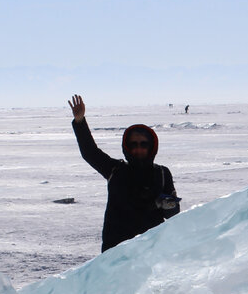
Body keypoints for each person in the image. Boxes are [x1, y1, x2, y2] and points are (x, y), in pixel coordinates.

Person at [69, 94, 180, 252]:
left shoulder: (162, 173)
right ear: (126, 146)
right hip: (116, 252)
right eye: (133, 144)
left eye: (144, 144)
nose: (138, 148)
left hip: (151, 252)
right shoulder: (115, 170)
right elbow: (90, 152)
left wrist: (169, 205)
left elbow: (173, 215)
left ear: (152, 146)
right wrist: (80, 122)